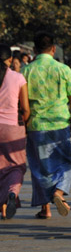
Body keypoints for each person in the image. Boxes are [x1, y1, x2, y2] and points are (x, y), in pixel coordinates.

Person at [23, 31, 71, 219]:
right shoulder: (63, 69)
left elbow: (21, 102)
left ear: (34, 50)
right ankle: (59, 192)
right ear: (53, 49)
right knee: (64, 162)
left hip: (36, 125)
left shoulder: (26, 71)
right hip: (60, 123)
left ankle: (45, 208)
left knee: (40, 167)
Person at [0, 43, 30, 219]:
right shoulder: (18, 78)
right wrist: (22, 126)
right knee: (15, 167)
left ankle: (3, 206)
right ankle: (12, 193)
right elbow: (25, 109)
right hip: (12, 128)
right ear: (10, 59)